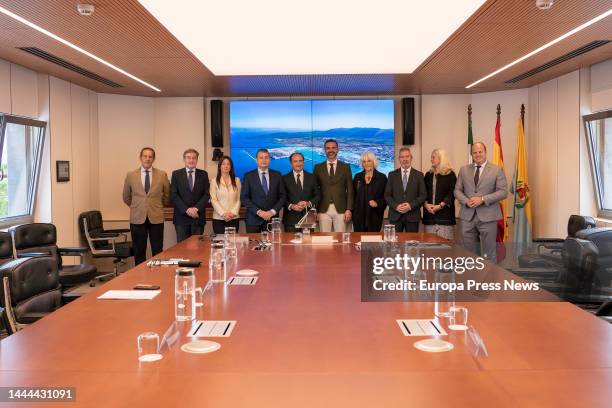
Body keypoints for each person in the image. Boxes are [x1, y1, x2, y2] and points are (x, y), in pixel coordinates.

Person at [454, 142, 508, 262]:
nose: (478, 154)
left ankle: (489, 279)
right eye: (475, 152)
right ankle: (472, 279)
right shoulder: (463, 170)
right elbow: (457, 190)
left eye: (480, 152)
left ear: (485, 152)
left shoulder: (496, 170)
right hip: (467, 217)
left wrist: (482, 199)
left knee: (489, 253)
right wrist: (466, 201)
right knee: (468, 253)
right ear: (471, 154)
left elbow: (503, 192)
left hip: (488, 217)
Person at [122, 147, 170, 265]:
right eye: (145, 156)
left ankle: (157, 277)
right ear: (140, 157)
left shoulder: (162, 174)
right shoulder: (131, 175)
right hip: (137, 218)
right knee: (139, 251)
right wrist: (137, 206)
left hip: (156, 217)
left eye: (150, 157)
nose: (147, 159)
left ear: (153, 159)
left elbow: (167, 196)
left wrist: (157, 206)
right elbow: (126, 197)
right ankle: (140, 279)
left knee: (158, 250)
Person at [240, 148, 286, 233]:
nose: (264, 160)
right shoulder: (248, 176)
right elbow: (244, 198)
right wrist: (259, 212)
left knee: (273, 245)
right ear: (256, 160)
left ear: (269, 160)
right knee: (253, 246)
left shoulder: (277, 175)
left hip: (272, 220)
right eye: (261, 158)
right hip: (253, 220)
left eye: (266, 157)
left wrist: (272, 212)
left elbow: (282, 196)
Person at [313, 139, 354, 232]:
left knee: (340, 239)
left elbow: (350, 190)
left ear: (338, 149)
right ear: (325, 150)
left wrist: (349, 209)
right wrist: (314, 209)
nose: (331, 150)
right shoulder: (318, 167)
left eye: (333, 148)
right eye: (328, 148)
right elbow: (314, 190)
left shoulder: (346, 167)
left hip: (341, 209)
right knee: (324, 240)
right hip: (323, 209)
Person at [170, 148, 210, 242]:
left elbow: (207, 194)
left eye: (194, 158)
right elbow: (174, 195)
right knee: (182, 249)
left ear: (197, 159)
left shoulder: (203, 174)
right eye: (188, 158)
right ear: (184, 159)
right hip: (181, 218)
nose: (191, 160)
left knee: (198, 248)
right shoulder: (176, 174)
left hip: (198, 217)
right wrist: (186, 209)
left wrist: (196, 209)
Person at [384, 147, 426, 232]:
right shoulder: (392, 175)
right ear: (399, 159)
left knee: (412, 243)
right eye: (402, 157)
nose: (405, 159)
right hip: (395, 216)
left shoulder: (419, 175)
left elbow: (423, 195)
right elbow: (387, 195)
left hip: (413, 215)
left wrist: (410, 206)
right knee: (394, 243)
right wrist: (396, 206)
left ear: (411, 158)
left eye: (407, 156)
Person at [423, 148, 457, 240]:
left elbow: (452, 193)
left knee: (445, 250)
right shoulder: (428, 174)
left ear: (441, 158)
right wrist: (425, 204)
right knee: (429, 250)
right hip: (429, 217)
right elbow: (423, 193)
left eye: (433, 157)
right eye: (431, 157)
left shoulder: (450, 174)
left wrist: (441, 205)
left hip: (445, 218)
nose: (431, 159)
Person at [282, 152, 320, 232]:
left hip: (308, 217)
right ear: (291, 163)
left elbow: (318, 195)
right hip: (290, 219)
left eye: (300, 161)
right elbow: (281, 198)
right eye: (295, 161)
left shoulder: (312, 177)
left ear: (303, 162)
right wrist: (292, 206)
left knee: (308, 243)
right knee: (291, 243)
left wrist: (308, 203)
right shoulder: (284, 179)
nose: (298, 163)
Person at [352, 151, 387, 232]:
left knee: (373, 240)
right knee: (358, 239)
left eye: (369, 161)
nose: (366, 163)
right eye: (364, 161)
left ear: (374, 162)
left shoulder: (382, 177)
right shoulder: (357, 177)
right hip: (358, 215)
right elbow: (353, 195)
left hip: (374, 215)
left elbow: (386, 197)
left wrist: (377, 203)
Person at [210, 156, 241, 234]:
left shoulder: (237, 180)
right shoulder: (214, 181)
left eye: (228, 164)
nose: (226, 166)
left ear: (231, 167)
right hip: (219, 218)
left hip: (234, 218)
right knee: (220, 244)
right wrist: (223, 214)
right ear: (219, 166)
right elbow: (213, 200)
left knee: (233, 243)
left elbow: (239, 199)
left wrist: (233, 213)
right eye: (223, 164)